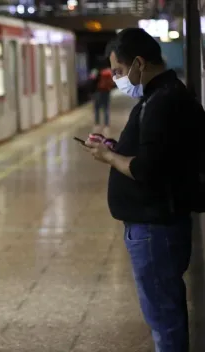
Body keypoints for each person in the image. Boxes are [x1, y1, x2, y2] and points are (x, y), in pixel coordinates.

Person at [84, 28, 205, 352]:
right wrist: (113, 147)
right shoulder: (163, 95)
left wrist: (108, 156)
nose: (119, 79)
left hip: (154, 229)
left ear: (139, 62)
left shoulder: (161, 102)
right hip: (158, 225)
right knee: (165, 312)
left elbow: (147, 169)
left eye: (120, 71)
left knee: (163, 319)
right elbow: (156, 153)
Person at [89, 59, 115, 136]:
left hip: (98, 91)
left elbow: (91, 79)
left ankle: (97, 123)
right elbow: (113, 82)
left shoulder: (96, 71)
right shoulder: (109, 71)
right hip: (107, 91)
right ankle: (106, 124)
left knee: (97, 108)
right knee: (106, 107)